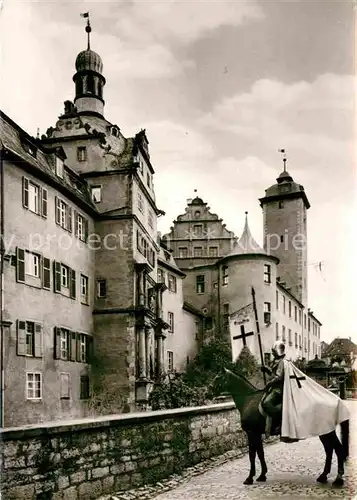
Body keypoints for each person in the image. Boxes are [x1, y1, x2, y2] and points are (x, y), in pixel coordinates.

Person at [261, 340, 286, 437]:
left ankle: (279, 422)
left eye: (273, 351)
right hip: (273, 388)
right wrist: (267, 369)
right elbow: (273, 373)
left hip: (278, 389)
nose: (272, 353)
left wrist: (269, 383)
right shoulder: (275, 361)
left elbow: (279, 376)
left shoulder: (282, 362)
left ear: (278, 351)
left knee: (266, 403)